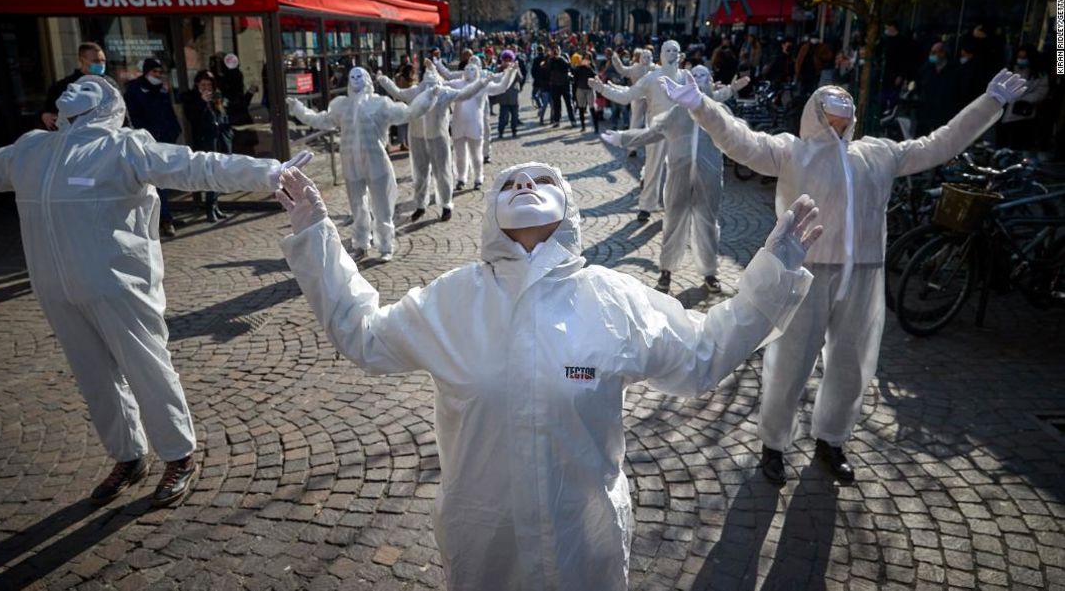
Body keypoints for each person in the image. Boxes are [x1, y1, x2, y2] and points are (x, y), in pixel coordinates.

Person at [275, 160, 822, 591]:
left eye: (542, 179)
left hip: (585, 540)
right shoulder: (452, 299)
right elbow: (366, 336)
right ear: (491, 211)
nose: (526, 184)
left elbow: (702, 353)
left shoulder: (611, 297)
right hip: (485, 539)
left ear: (569, 209)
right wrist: (318, 241)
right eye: (511, 181)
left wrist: (772, 275)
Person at [0, 75, 311, 507]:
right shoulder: (31, 149)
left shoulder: (123, 147)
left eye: (87, 86)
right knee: (94, 378)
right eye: (67, 86)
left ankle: (179, 455)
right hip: (56, 289)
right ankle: (127, 456)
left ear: (106, 102)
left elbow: (195, 164)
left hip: (119, 285)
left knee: (147, 369)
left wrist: (269, 171)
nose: (72, 90)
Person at [660, 68, 1029, 485]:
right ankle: (774, 444)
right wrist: (702, 106)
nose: (840, 114)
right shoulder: (792, 152)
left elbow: (938, 144)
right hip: (805, 272)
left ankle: (831, 439)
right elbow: (741, 141)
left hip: (863, 274)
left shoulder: (876, 154)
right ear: (815, 112)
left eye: (845, 108)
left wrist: (989, 103)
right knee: (789, 363)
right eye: (831, 107)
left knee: (851, 363)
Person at [602, 65, 748, 294]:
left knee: (708, 224)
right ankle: (666, 271)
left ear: (711, 80)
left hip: (708, 178)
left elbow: (738, 139)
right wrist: (623, 138)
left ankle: (710, 272)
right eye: (695, 75)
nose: (699, 79)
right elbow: (651, 134)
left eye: (704, 75)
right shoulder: (678, 111)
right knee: (672, 222)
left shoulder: (720, 112)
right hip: (678, 176)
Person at [287, 67, 438, 261]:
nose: (356, 80)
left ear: (366, 78)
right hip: (351, 163)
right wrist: (298, 108)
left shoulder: (380, 103)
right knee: (357, 206)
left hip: (376, 161)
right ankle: (360, 243)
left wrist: (428, 97)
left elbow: (407, 113)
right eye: (352, 77)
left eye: (360, 76)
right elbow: (321, 120)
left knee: (381, 205)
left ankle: (385, 245)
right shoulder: (341, 106)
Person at [377, 60, 488, 223]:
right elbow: (399, 93)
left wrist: (480, 83)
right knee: (420, 173)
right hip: (418, 137)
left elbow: (464, 94)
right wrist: (383, 80)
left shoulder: (442, 92)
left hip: (438, 137)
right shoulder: (417, 91)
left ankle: (446, 205)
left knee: (442, 172)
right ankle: (421, 205)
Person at [589, 40, 687, 223]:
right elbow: (627, 96)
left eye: (676, 50)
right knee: (653, 168)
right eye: (669, 51)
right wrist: (603, 89)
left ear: (680, 54)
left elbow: (702, 99)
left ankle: (673, 207)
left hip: (680, 131)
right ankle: (646, 206)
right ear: (663, 55)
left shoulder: (686, 77)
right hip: (657, 130)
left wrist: (726, 91)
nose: (673, 54)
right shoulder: (652, 78)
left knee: (679, 171)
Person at [125, 59, 183, 238]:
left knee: (162, 181)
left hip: (164, 141)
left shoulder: (162, 89)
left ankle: (165, 217)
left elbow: (168, 114)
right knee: (153, 184)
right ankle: (163, 220)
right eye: (155, 71)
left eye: (160, 71)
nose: (158, 75)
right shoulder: (135, 90)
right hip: (146, 143)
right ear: (146, 72)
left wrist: (174, 132)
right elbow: (133, 117)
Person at [447, 60, 518, 191]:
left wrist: (510, 73)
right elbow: (443, 85)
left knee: (476, 154)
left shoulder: (482, 85)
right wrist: (432, 75)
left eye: (473, 69)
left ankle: (478, 177)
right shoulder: (458, 84)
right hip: (458, 124)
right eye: (467, 68)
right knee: (460, 155)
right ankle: (461, 178)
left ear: (478, 70)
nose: (469, 71)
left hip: (475, 125)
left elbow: (501, 87)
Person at [182, 70, 233, 222]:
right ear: (197, 85)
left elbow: (224, 118)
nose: (206, 88)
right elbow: (192, 119)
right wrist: (202, 103)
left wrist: (220, 106)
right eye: (203, 84)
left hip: (220, 142)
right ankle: (209, 207)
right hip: (205, 142)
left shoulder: (217, 97)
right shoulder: (192, 99)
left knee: (219, 175)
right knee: (209, 175)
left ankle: (215, 205)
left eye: (209, 85)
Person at [40, 42, 118, 131]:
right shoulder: (64, 85)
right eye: (95, 61)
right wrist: (44, 115)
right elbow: (48, 111)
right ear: (82, 60)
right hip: (75, 137)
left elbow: (121, 111)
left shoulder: (110, 83)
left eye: (103, 60)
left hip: (107, 133)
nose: (101, 64)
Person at [997, 46, 1049, 151]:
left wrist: (1025, 100)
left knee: (1017, 143)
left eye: (1024, 57)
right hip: (1004, 110)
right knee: (1001, 141)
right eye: (1019, 56)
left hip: (1021, 113)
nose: (1021, 59)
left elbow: (1041, 91)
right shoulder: (1010, 69)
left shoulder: (1038, 74)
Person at [610, 49, 655, 154]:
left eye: (649, 57)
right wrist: (616, 60)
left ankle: (652, 148)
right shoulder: (635, 68)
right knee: (635, 122)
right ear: (640, 58)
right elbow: (622, 70)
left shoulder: (655, 69)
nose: (646, 59)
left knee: (651, 122)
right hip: (637, 97)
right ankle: (632, 147)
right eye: (644, 56)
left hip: (651, 98)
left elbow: (668, 71)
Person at [915, 42, 961, 135]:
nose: (932, 55)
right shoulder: (926, 68)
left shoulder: (954, 71)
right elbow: (919, 85)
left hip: (943, 110)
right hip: (926, 108)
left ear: (943, 54)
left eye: (935, 52)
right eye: (931, 52)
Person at [495, 51, 525, 139]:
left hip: (514, 96)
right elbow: (496, 79)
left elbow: (520, 79)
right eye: (506, 60)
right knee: (503, 116)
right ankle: (500, 131)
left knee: (515, 116)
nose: (508, 62)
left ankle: (514, 131)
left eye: (509, 60)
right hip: (503, 97)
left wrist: (516, 69)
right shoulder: (499, 68)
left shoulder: (515, 68)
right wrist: (503, 69)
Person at [546, 49, 574, 128]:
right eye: (554, 51)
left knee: (569, 103)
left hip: (565, 84)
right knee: (556, 104)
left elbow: (568, 65)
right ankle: (556, 121)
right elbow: (548, 69)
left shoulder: (564, 56)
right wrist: (551, 59)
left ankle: (572, 120)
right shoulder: (551, 60)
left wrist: (560, 59)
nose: (555, 53)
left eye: (556, 50)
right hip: (555, 84)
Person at [571, 55, 597, 132]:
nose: (586, 60)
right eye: (584, 59)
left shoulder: (591, 67)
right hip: (580, 89)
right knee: (581, 108)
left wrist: (589, 67)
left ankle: (596, 127)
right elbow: (575, 79)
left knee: (592, 108)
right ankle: (583, 126)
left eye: (587, 59)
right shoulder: (579, 68)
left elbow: (595, 75)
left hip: (589, 89)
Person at [530, 50, 550, 122]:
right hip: (546, 86)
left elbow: (533, 70)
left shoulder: (538, 61)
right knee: (548, 103)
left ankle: (541, 110)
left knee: (536, 96)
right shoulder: (544, 65)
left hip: (540, 84)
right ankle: (549, 118)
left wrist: (535, 77)